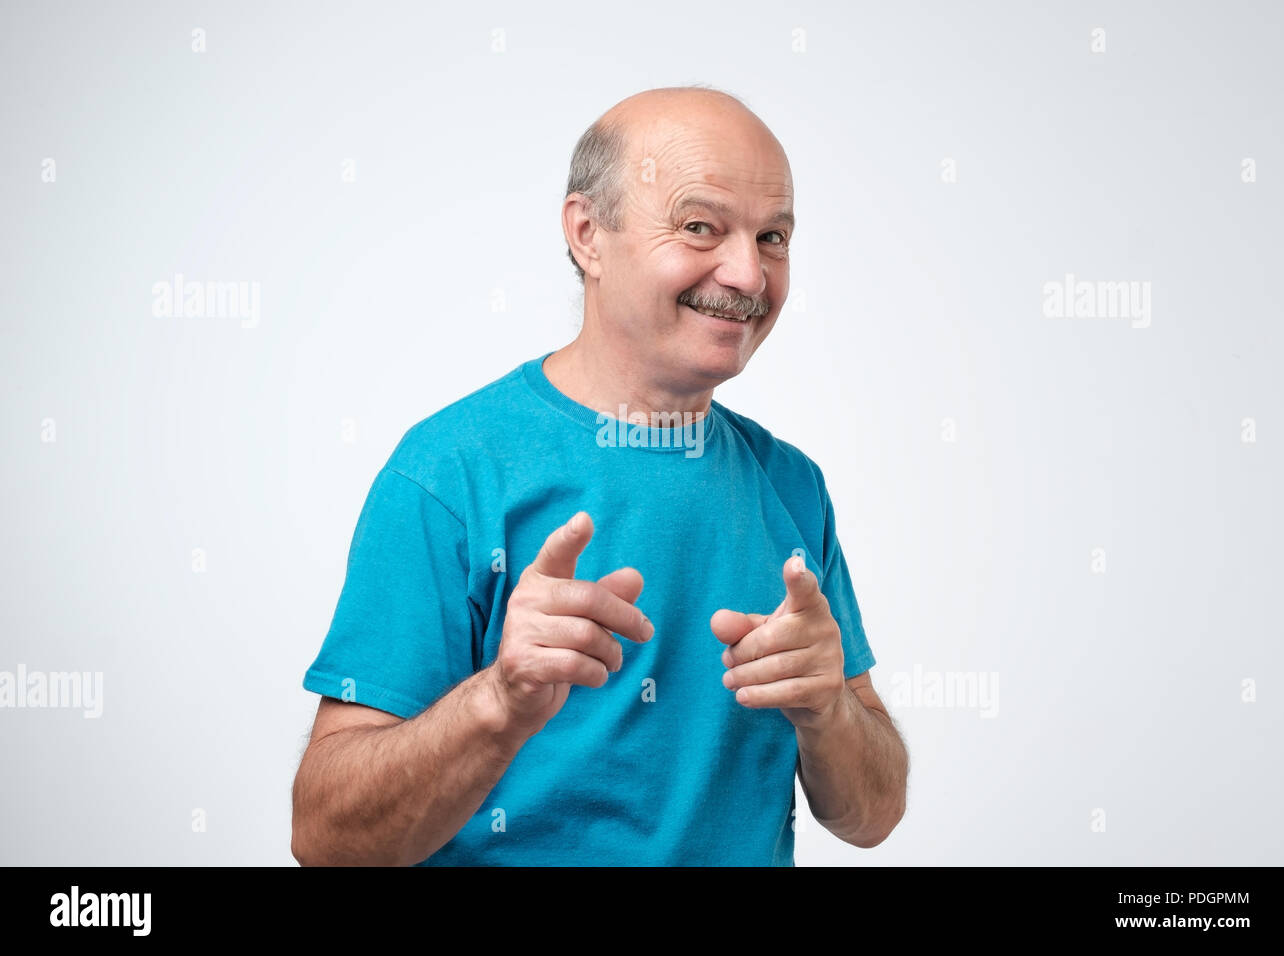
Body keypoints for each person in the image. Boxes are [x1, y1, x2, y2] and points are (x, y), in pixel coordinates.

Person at [291, 85, 909, 866]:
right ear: (588, 234)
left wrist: (830, 709)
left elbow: (873, 815)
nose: (749, 275)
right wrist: (499, 701)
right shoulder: (448, 474)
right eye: (699, 227)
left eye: (774, 237)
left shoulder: (791, 485)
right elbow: (325, 838)